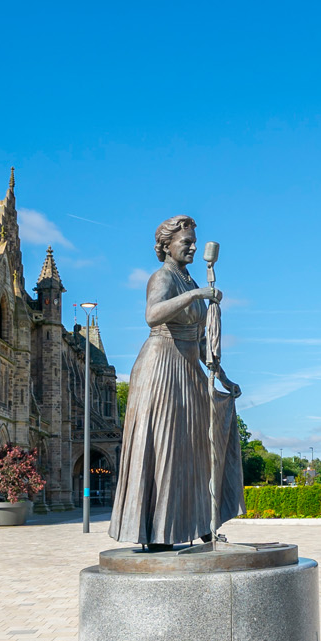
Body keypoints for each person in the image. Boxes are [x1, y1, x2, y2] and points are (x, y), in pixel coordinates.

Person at [110, 216, 220, 547]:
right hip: (162, 365)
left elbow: (200, 341)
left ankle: (198, 522)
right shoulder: (163, 277)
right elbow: (153, 314)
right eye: (185, 241)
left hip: (188, 369)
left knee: (195, 449)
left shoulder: (188, 281)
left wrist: (223, 375)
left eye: (193, 242)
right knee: (167, 447)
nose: (192, 246)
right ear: (166, 245)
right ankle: (159, 531)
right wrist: (198, 294)